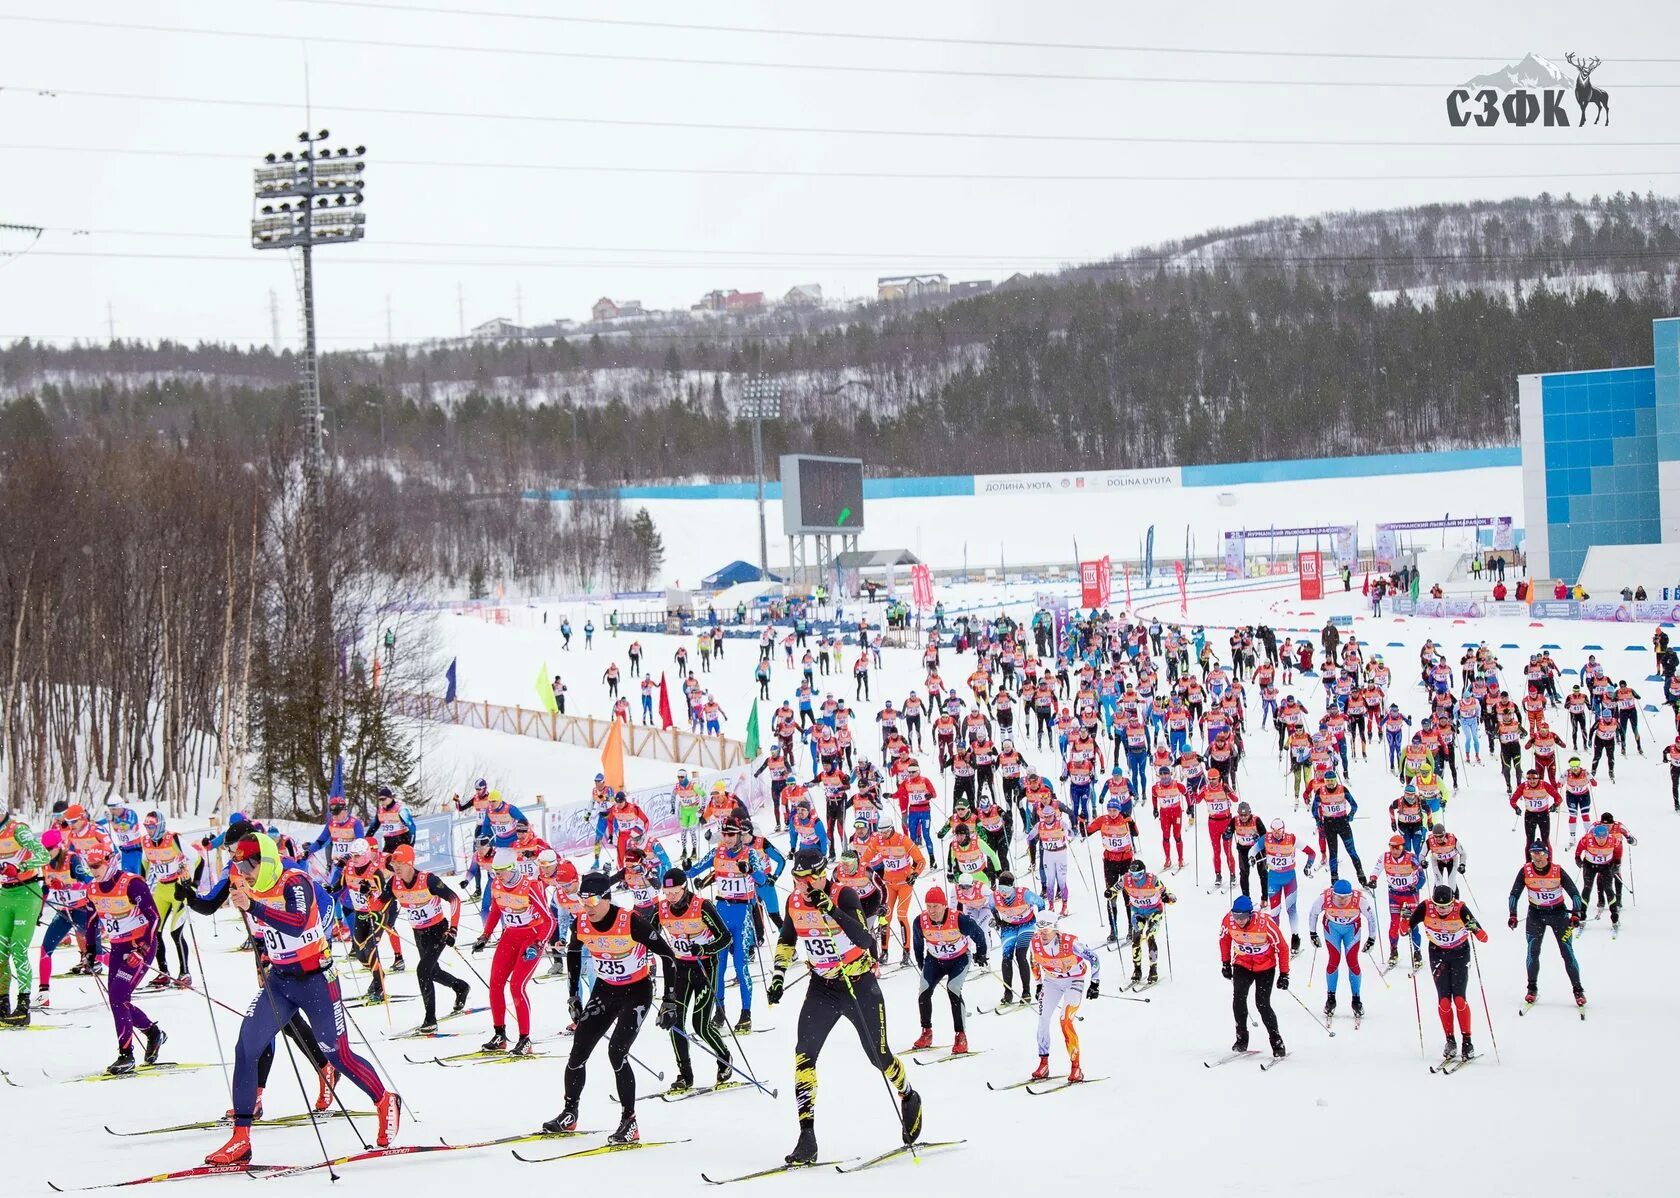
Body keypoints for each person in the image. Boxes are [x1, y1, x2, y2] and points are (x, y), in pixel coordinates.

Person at [208, 833, 399, 1166]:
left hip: (317, 980)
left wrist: (253, 905)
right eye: (238, 866)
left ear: (263, 862)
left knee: (336, 1055)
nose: (243, 874)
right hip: (280, 981)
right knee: (246, 1047)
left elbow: (298, 923)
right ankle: (241, 1139)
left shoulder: (295, 881)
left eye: (246, 866)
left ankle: (384, 1101)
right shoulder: (246, 882)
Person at [768, 850, 922, 1167]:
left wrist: (832, 911)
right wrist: (779, 975)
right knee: (803, 1055)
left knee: (878, 1055)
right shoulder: (794, 903)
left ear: (822, 875)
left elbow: (864, 940)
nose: (801, 886)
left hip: (858, 983)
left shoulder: (843, 893)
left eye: (807, 879)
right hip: (822, 987)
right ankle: (806, 1136)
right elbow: (786, 938)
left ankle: (908, 1094)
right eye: (796, 880)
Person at [544, 872, 676, 1146]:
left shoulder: (630, 921)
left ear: (606, 898)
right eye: (582, 900)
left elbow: (667, 955)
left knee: (616, 1052)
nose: (587, 906)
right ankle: (570, 1113)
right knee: (578, 1052)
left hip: (637, 992)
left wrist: (669, 999)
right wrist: (573, 996)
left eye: (592, 900)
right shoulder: (580, 922)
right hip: (605, 990)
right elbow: (572, 954)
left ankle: (630, 1122)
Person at [655, 868, 734, 1093]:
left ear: (684, 888)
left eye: (674, 892)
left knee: (700, 1025)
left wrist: (704, 948)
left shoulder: (702, 906)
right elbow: (648, 933)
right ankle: (685, 1075)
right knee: (675, 1023)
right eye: (666, 892)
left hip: (704, 967)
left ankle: (724, 1058)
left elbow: (725, 937)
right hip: (680, 969)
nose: (670, 897)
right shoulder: (661, 908)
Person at [87, 845, 164, 1071]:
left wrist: (142, 948)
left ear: (110, 860)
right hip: (118, 947)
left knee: (119, 995)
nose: (93, 871)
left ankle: (126, 1055)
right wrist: (90, 951)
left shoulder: (132, 884)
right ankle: (153, 1032)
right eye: (90, 866)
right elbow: (91, 921)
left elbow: (155, 918)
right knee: (117, 999)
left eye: (97, 865)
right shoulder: (92, 888)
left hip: (140, 946)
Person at [379, 844, 469, 1034]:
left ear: (410, 863)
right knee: (433, 972)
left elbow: (454, 899)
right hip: (419, 933)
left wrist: (452, 930)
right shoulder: (393, 883)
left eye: (401, 863)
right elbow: (377, 905)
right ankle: (460, 987)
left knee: (423, 970)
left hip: (438, 930)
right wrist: (367, 893)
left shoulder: (428, 880)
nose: (396, 867)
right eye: (395, 864)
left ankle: (430, 1019)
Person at [1408, 883, 1489, 1063]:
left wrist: (1474, 928)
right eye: (1439, 907)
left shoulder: (1461, 909)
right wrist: (1405, 920)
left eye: (1447, 907)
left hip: (1460, 954)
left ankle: (1467, 1042)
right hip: (1438, 954)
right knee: (1444, 1001)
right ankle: (1450, 1041)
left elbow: (1484, 938)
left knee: (1459, 999)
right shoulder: (1425, 907)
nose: (1443, 910)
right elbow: (1404, 930)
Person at [1506, 840, 1586, 1010]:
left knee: (1567, 951)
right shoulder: (1526, 871)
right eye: (1534, 854)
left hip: (1559, 914)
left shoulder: (1557, 870)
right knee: (1533, 952)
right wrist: (1513, 914)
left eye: (1541, 854)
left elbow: (1575, 894)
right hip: (1536, 914)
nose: (1537, 858)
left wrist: (1576, 914)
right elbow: (1513, 894)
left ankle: (1578, 990)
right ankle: (1531, 988)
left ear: (1547, 855)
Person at [909, 886, 988, 1054]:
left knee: (953, 989)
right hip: (935, 960)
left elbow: (978, 933)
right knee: (924, 990)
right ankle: (926, 1032)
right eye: (929, 906)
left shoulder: (958, 919)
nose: (932, 910)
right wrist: (920, 962)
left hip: (959, 959)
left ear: (944, 905)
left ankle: (960, 1035)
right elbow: (917, 943)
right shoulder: (920, 921)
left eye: (936, 906)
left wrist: (981, 953)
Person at [1027, 910, 1099, 1081]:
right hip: (1051, 982)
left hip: (1074, 981)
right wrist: (1038, 985)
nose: (1042, 934)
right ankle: (1043, 1064)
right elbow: (1034, 962)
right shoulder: (1035, 942)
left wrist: (1095, 983)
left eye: (1047, 929)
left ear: (1055, 928)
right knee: (1043, 1020)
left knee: (1065, 1020)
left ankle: (1076, 1067)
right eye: (1039, 929)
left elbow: (1094, 958)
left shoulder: (1071, 943)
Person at [1218, 894, 1288, 1058]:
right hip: (1242, 964)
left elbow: (1282, 947)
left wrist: (1284, 974)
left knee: (1262, 1004)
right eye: (1236, 916)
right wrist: (1226, 963)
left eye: (1242, 917)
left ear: (1250, 914)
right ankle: (1241, 1038)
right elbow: (1224, 940)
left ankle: (1276, 1041)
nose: (1239, 921)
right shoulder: (1228, 921)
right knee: (1239, 999)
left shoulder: (1265, 923)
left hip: (1265, 967)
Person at [0, 809, 48, 1024]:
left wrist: (20, 866)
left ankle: (23, 1006)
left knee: (18, 949)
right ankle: (2, 1004)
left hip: (26, 893)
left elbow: (43, 855)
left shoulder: (18, 830)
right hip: (5, 894)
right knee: (0, 952)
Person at [1307, 878, 1377, 1020]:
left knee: (1352, 961)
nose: (1342, 901)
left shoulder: (1359, 900)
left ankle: (1356, 1000)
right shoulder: (1324, 898)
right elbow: (1313, 913)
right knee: (1334, 960)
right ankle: (1331, 999)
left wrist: (1371, 938)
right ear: (1333, 894)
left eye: (1346, 898)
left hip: (1351, 930)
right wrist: (1312, 933)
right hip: (1332, 930)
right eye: (1338, 897)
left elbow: (1371, 918)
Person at [139, 810, 191, 990]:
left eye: (152, 827)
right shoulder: (146, 842)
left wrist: (191, 883)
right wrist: (139, 884)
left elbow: (196, 858)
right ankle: (163, 973)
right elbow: (144, 864)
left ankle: (185, 972)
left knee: (176, 933)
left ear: (159, 825)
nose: (149, 830)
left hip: (177, 888)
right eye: (146, 827)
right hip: (161, 889)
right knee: (155, 932)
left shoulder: (173, 839)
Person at [1574, 812, 1635, 930]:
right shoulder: (1588, 838)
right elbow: (1579, 848)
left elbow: (1618, 851)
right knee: (1587, 888)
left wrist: (1617, 863)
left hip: (1606, 865)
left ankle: (1615, 917)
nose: (1601, 840)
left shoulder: (1613, 840)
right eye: (1598, 837)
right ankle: (1582, 915)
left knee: (1608, 888)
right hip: (1590, 865)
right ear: (1594, 835)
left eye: (1603, 837)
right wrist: (1577, 858)